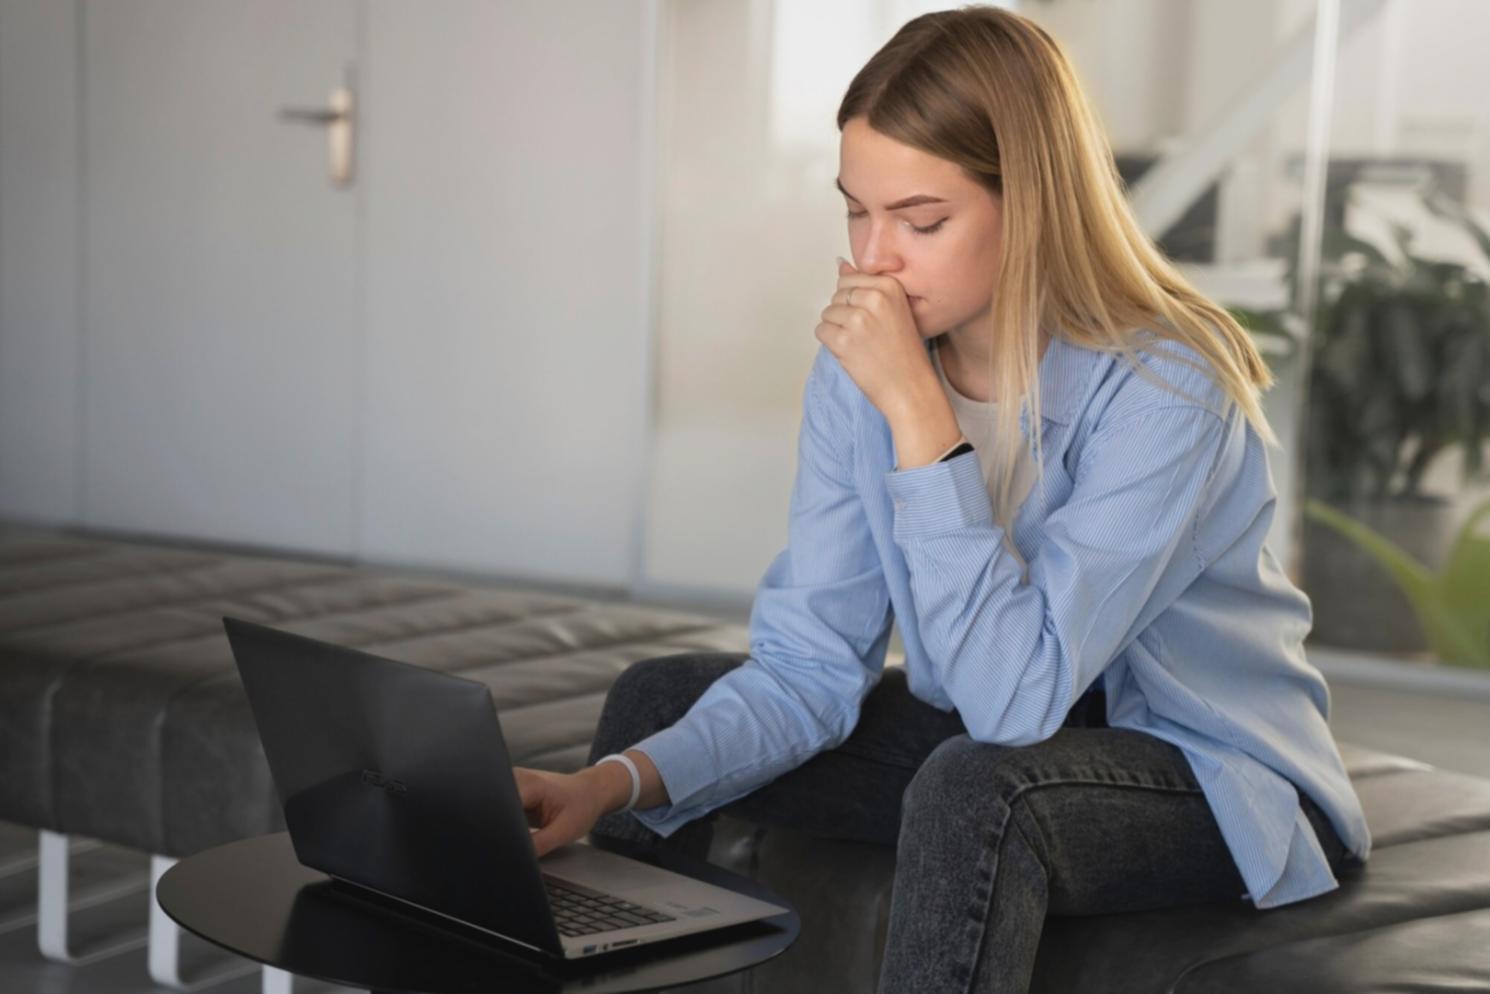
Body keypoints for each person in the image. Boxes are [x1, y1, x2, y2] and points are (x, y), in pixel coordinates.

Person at [513, 6, 1370, 992]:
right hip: (1011, 737)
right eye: (854, 211)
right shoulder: (859, 369)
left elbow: (1011, 705)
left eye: (920, 221)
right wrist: (603, 784)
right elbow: (806, 666)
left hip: (1206, 779)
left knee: (975, 786)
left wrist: (921, 419)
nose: (873, 257)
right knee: (655, 704)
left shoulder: (1165, 388)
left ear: (1033, 204)